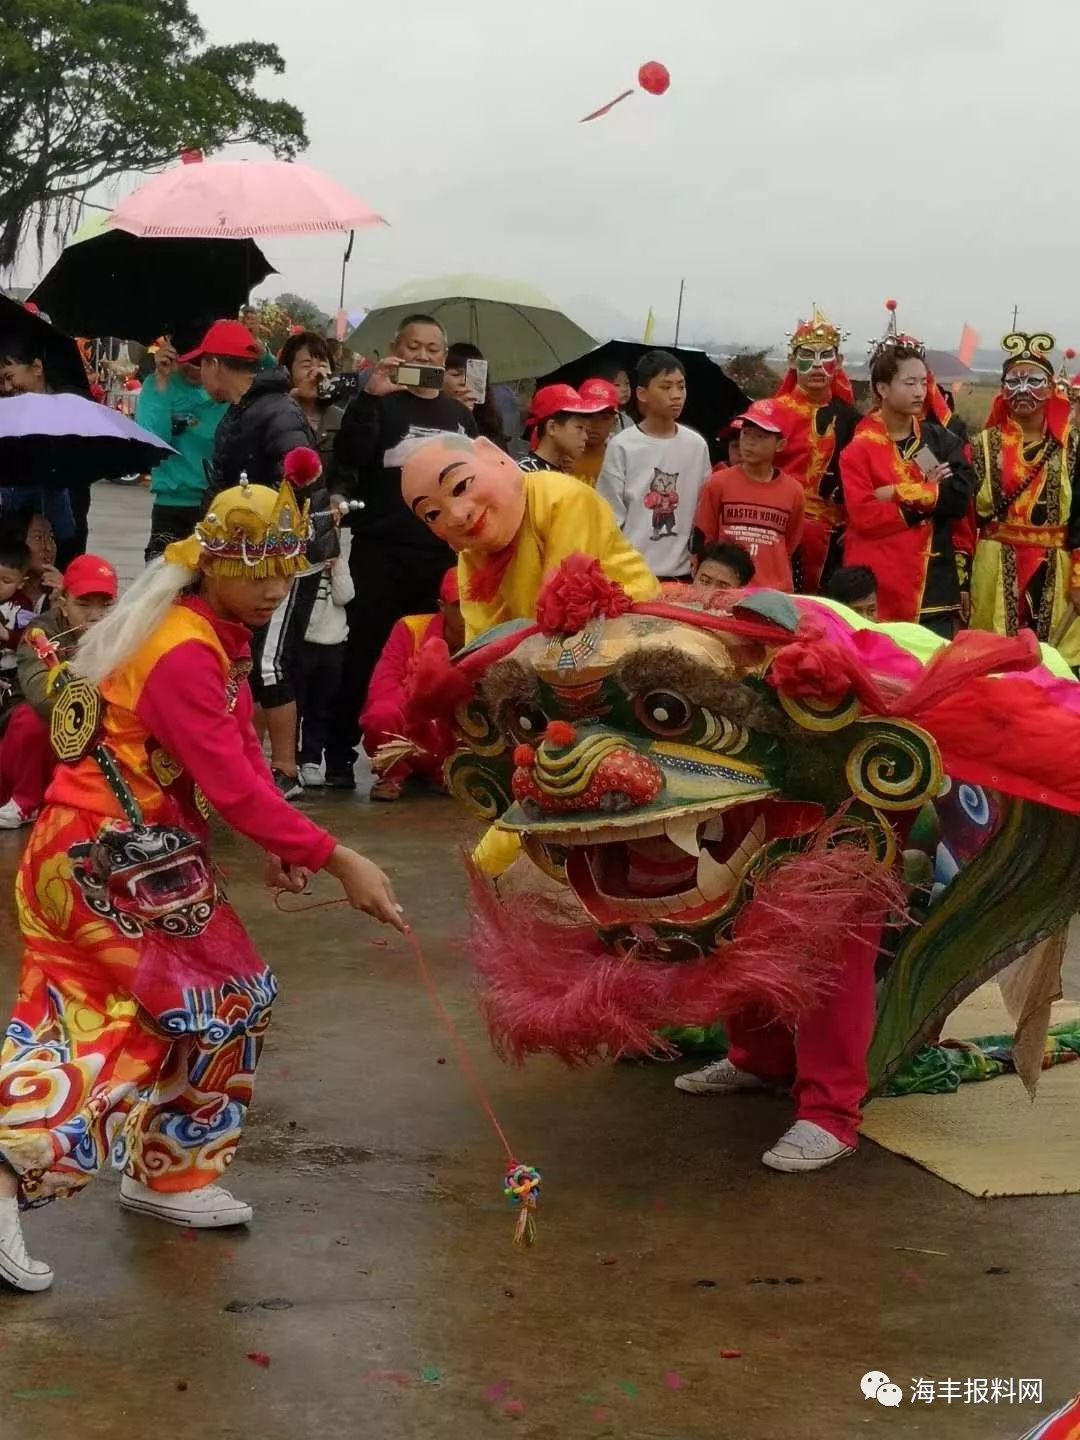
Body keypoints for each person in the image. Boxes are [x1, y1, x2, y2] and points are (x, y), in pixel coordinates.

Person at [0, 481, 403, 1293]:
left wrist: (281, 845)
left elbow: (242, 753)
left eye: (283, 575)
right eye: (252, 570)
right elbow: (236, 781)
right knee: (141, 1018)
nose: (269, 589)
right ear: (209, 562)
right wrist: (337, 856)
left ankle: (168, 1171)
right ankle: (10, 1173)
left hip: (132, 858)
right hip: (105, 863)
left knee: (228, 997)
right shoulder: (182, 647)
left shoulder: (213, 634)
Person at [324, 313, 478, 788]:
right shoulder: (378, 403)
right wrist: (370, 397)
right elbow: (350, 457)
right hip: (380, 548)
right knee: (366, 649)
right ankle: (339, 753)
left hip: (440, 554)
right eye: (415, 347)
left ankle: (419, 756)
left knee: (435, 657)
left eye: (434, 349)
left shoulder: (460, 414)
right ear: (397, 348)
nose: (424, 356)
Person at [186, 320, 328, 800]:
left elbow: (305, 475)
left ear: (213, 365)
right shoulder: (245, 409)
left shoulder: (273, 410)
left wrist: (282, 540)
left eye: (200, 366)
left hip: (285, 560)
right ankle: (255, 761)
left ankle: (285, 770)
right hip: (254, 559)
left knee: (270, 665)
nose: (199, 377)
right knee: (250, 661)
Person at [401, 434, 660, 640]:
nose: (457, 516)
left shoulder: (562, 498)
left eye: (461, 486)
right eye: (433, 514)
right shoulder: (474, 552)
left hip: (622, 626)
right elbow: (483, 634)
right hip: (538, 650)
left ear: (496, 458)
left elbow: (562, 603)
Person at [841, 332, 975, 636]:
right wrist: (926, 495)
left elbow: (957, 498)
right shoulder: (859, 448)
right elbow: (864, 517)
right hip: (875, 579)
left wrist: (895, 493)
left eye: (923, 382)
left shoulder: (938, 440)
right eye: (909, 383)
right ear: (883, 388)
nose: (920, 391)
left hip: (931, 584)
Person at [969, 332, 1080, 664]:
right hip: (994, 565)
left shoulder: (1073, 446)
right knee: (994, 660)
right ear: (1002, 389)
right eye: (1013, 381)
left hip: (1056, 569)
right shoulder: (981, 446)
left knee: (1056, 665)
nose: (1023, 390)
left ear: (1050, 390)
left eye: (1034, 380)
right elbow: (964, 522)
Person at [0, 554, 118, 829]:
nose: (95, 615)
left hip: (93, 729)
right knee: (29, 719)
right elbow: (41, 690)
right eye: (83, 604)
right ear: (63, 605)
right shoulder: (40, 632)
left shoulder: (124, 634)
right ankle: (24, 801)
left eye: (107, 605)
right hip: (50, 725)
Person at [596, 351, 712, 582]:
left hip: (682, 575)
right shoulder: (623, 445)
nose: (676, 395)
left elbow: (703, 508)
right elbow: (609, 516)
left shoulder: (696, 446)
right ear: (642, 393)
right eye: (666, 387)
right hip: (632, 574)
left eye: (681, 386)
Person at [769, 308, 861, 592]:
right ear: (792, 361)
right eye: (807, 356)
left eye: (826, 356)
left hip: (833, 536)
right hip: (777, 527)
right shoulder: (771, 414)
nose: (818, 366)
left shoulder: (852, 419)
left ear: (840, 361)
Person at [361, 569, 465, 802]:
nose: (467, 613)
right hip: (414, 733)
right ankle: (391, 774)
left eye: (473, 603)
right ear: (442, 606)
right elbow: (383, 686)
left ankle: (454, 774)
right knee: (381, 713)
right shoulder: (409, 628)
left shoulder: (491, 630)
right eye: (459, 605)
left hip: (459, 736)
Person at [690, 400, 805, 592]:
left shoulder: (794, 492)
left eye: (760, 437)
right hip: (726, 590)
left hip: (773, 592)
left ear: (780, 444)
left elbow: (791, 545)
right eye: (746, 434)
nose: (750, 443)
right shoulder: (718, 483)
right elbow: (705, 537)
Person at [135, 324, 227, 561]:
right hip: (172, 506)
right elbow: (152, 443)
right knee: (164, 590)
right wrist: (163, 382)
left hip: (216, 505)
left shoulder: (224, 392)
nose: (195, 370)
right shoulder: (156, 386)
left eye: (202, 362)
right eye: (189, 361)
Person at [0, 337, 80, 564]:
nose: (7, 387)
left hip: (57, 526)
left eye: (9, 377)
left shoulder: (71, 408)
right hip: (12, 534)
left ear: (36, 368)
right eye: (2, 380)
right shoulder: (9, 411)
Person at [296, 525, 354, 789]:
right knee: (296, 705)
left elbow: (346, 596)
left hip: (332, 646)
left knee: (321, 708)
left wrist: (337, 567)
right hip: (303, 645)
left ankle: (311, 760)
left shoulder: (338, 567)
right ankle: (290, 758)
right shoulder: (300, 567)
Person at [278, 329, 348, 472]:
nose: (316, 373)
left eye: (322, 365)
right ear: (288, 371)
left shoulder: (341, 418)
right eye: (306, 365)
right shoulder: (275, 415)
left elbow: (348, 472)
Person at [520, 384, 609, 476]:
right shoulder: (526, 473)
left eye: (586, 430)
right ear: (552, 427)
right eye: (579, 428)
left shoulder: (563, 472)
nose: (585, 437)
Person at [443, 342, 507, 448]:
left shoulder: (490, 418)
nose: (464, 381)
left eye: (472, 375)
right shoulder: (432, 414)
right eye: (456, 374)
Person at [573, 378, 623, 485]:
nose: (595, 424)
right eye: (589, 415)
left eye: (604, 418)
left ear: (614, 423)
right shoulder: (560, 459)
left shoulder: (619, 463)